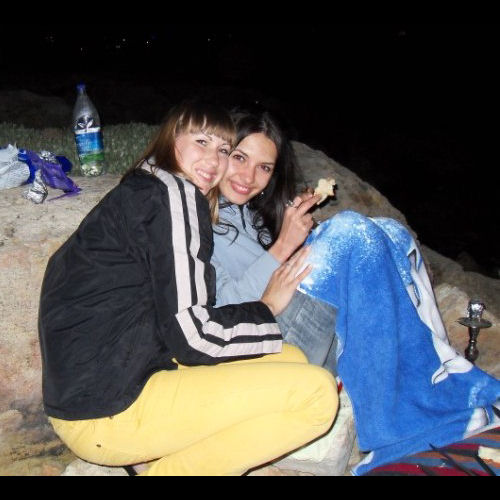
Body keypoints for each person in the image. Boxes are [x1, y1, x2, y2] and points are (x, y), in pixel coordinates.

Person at [38, 100, 339, 476]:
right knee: (317, 395)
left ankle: (158, 459)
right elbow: (194, 336)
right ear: (171, 138)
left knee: (292, 359)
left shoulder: (147, 186)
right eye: (201, 142)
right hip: (108, 407)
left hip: (108, 382)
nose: (213, 161)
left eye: (223, 150)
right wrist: (267, 308)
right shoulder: (175, 197)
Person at [211, 109, 500, 475]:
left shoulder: (247, 214)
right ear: (220, 151)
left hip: (292, 320)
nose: (248, 177)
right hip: (260, 345)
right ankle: (394, 426)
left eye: (264, 167)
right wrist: (283, 246)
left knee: (391, 233)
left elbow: (279, 268)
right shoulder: (196, 218)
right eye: (240, 158)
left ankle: (434, 375)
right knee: (350, 232)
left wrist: (292, 233)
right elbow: (224, 310)